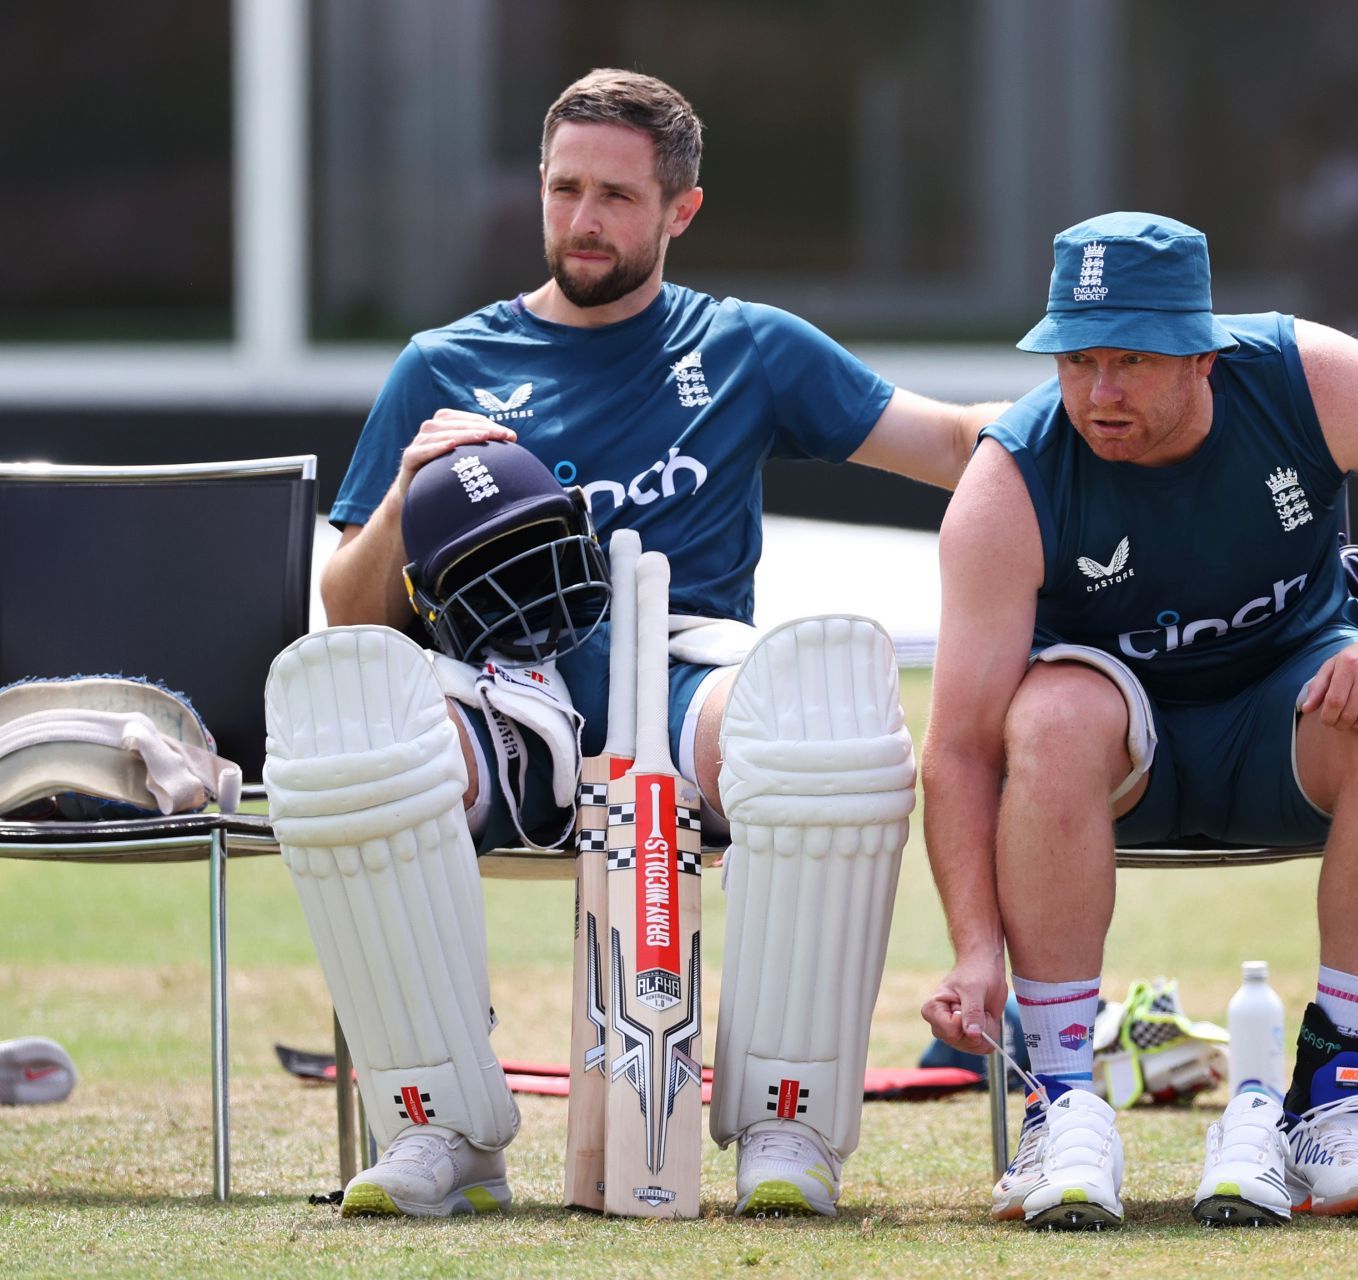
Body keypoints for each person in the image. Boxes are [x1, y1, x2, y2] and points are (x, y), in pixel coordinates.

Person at [269, 68, 1006, 1220]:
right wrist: (413, 491)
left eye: (616, 194)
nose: (584, 219)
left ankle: (788, 1122)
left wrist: (1120, 397)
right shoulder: (444, 362)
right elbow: (354, 609)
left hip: (687, 684)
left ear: (680, 209)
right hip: (509, 701)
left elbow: (961, 446)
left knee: (824, 704)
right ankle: (441, 1126)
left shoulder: (748, 346)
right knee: (343, 710)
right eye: (564, 188)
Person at [920, 212, 1358, 1229]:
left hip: (1284, 723)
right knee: (1047, 713)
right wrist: (969, 949)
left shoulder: (1310, 378)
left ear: (1204, 351)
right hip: (1111, 765)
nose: (1100, 392)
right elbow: (958, 748)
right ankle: (1063, 1096)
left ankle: (1339, 1082)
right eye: (1077, 359)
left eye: (1130, 358)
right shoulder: (1010, 480)